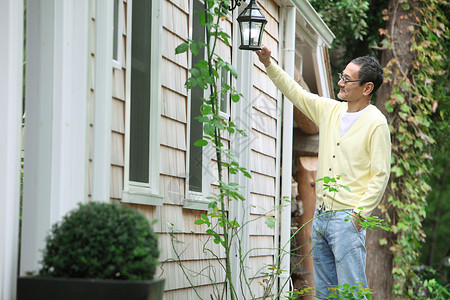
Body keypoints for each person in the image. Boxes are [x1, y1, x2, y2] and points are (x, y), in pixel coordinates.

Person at [255, 45, 391, 297]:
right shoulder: (331, 110)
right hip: (320, 217)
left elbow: (380, 174)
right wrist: (268, 64)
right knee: (325, 294)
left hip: (347, 221)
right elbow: (297, 93)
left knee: (352, 293)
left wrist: (358, 216)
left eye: (347, 79)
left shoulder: (376, 123)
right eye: (341, 76)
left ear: (367, 88)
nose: (340, 82)